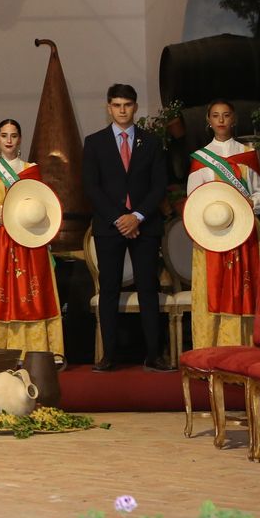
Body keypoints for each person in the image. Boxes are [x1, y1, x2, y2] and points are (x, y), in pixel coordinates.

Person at [82, 83, 170, 372]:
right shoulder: (94, 142)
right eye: (117, 105)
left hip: (145, 225)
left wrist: (139, 216)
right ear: (108, 108)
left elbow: (159, 185)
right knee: (109, 289)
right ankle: (109, 356)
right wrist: (121, 218)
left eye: (127, 105)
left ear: (135, 107)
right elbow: (91, 187)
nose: (122, 110)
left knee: (148, 288)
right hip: (110, 226)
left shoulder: (152, 141)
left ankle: (154, 355)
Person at [0, 119, 64, 356]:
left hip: (27, 240)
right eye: (4, 135)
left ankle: (35, 351)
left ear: (19, 139)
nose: (9, 140)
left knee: (29, 295)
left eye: (13, 135)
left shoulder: (31, 170)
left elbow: (42, 206)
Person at [184, 99, 260, 350]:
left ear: (233, 119)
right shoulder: (200, 159)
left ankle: (246, 347)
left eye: (226, 115)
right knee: (214, 288)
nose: (221, 120)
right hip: (211, 235)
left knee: (247, 288)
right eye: (216, 116)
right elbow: (193, 199)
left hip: (244, 233)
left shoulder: (247, 155)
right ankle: (210, 349)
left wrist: (254, 203)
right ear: (208, 121)